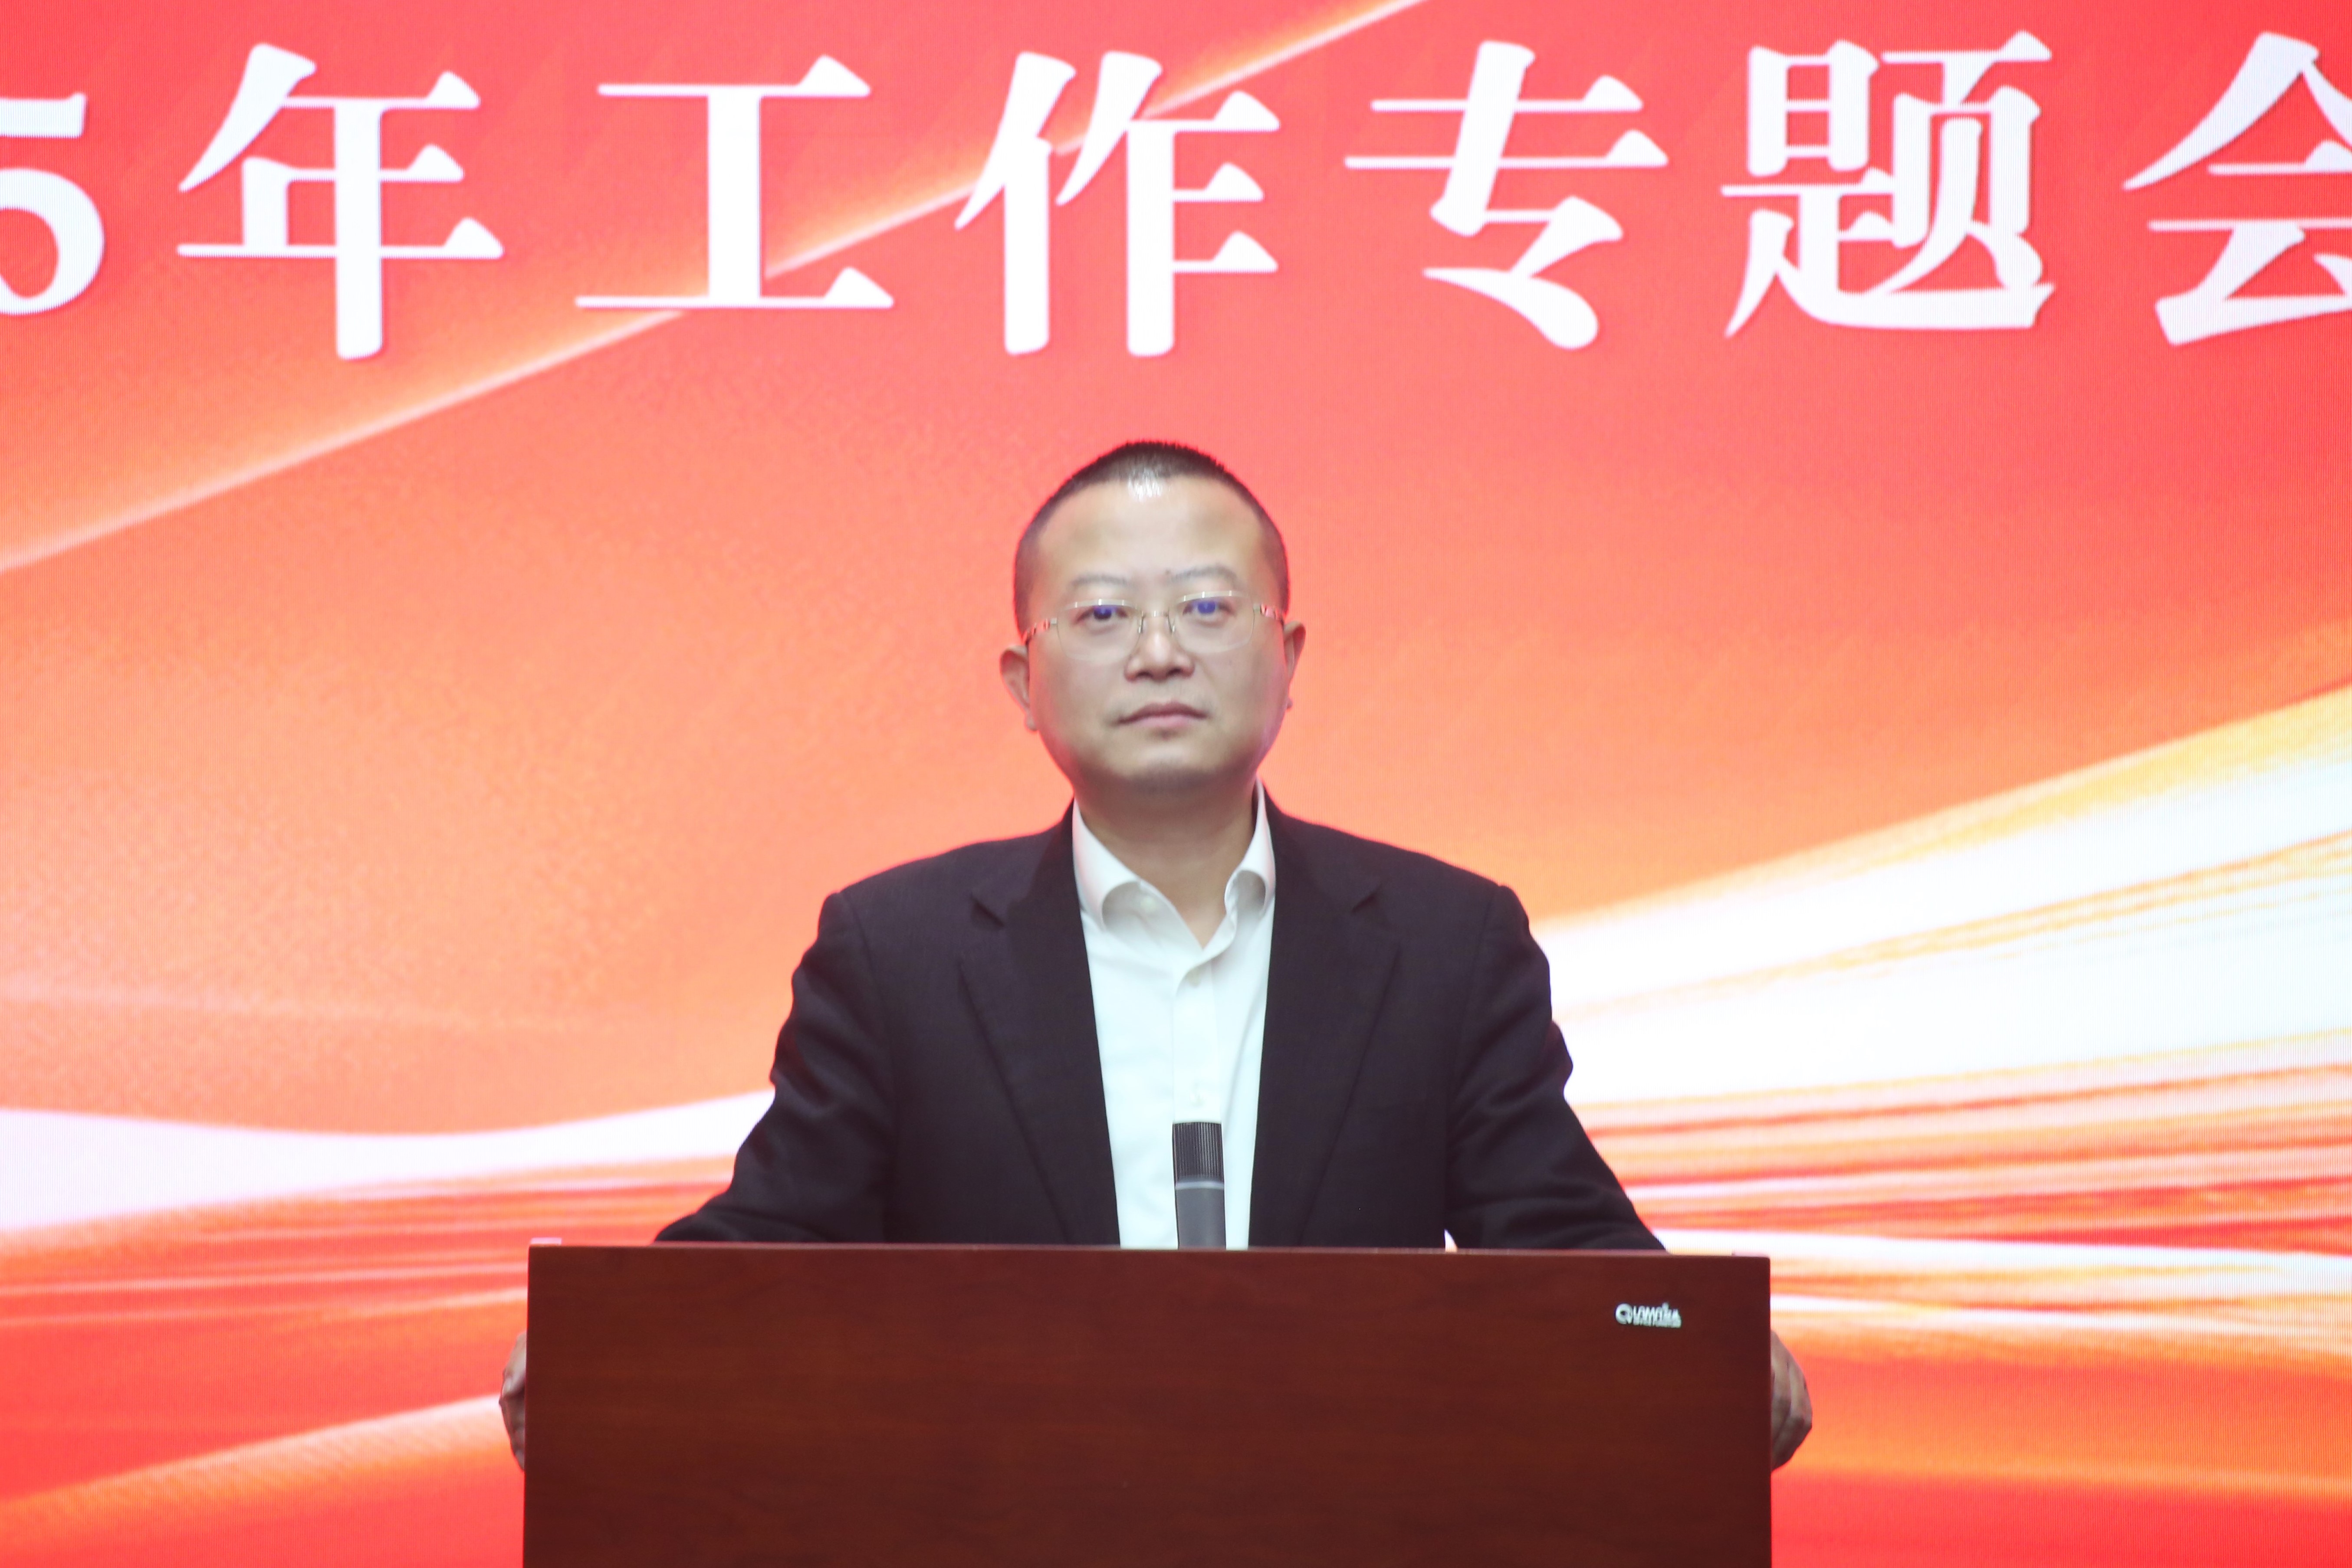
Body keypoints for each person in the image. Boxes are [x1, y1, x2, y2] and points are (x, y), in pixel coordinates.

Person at [499, 441, 1812, 1468]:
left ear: (1287, 657)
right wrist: (607, 1347)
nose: (1161, 652)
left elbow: (1566, 1250)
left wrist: (1704, 1355)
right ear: (1022, 683)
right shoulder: (896, 952)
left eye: (1206, 605)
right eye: (1102, 615)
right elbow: (775, 1238)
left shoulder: (1443, 941)